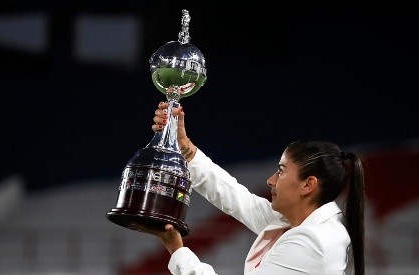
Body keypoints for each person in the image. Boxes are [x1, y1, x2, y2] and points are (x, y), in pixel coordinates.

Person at [131, 101, 365, 275]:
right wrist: (186, 149)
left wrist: (177, 249)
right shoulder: (303, 223)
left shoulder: (312, 241)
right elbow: (237, 198)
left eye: (281, 171)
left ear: (308, 185)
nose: (271, 180)